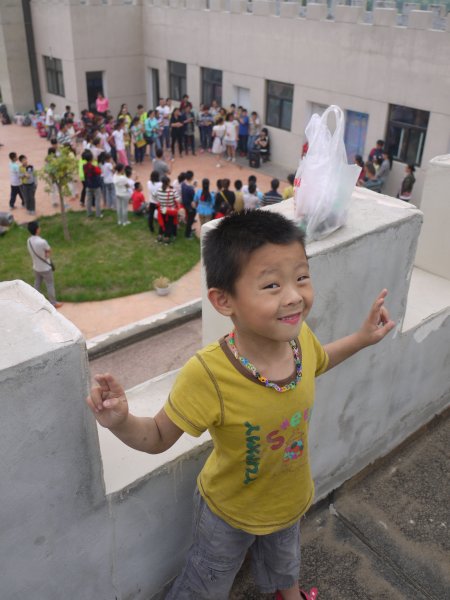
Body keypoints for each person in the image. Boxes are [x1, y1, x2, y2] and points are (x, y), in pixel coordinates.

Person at [86, 210, 394, 600]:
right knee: (207, 582)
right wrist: (121, 420)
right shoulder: (208, 374)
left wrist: (362, 338)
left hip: (287, 501)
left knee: (285, 567)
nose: (294, 295)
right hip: (226, 515)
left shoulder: (299, 343)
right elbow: (159, 435)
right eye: (271, 285)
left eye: (302, 277)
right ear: (223, 300)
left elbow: (320, 362)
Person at [27, 221, 63, 309]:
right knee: (50, 284)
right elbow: (49, 251)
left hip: (36, 267)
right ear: (37, 230)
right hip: (46, 268)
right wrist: (46, 255)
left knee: (37, 283)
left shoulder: (29, 241)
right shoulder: (42, 242)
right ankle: (53, 303)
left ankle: (34, 300)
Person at [156, 175, 178, 244]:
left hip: (162, 210)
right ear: (168, 182)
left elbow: (156, 197)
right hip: (170, 211)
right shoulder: (172, 191)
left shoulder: (158, 190)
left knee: (162, 223)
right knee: (169, 224)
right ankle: (166, 238)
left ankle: (159, 237)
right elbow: (178, 199)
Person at [83, 149, 103, 218]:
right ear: (91, 158)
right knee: (97, 199)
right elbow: (100, 172)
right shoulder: (94, 167)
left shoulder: (84, 166)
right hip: (96, 185)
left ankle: (89, 213)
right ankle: (98, 214)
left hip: (88, 184)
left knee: (88, 200)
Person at [181, 170, 196, 239]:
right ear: (191, 177)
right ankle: (187, 234)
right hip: (190, 206)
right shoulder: (190, 189)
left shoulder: (183, 184)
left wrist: (193, 186)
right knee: (190, 220)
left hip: (185, 204)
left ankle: (189, 230)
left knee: (189, 218)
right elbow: (193, 199)